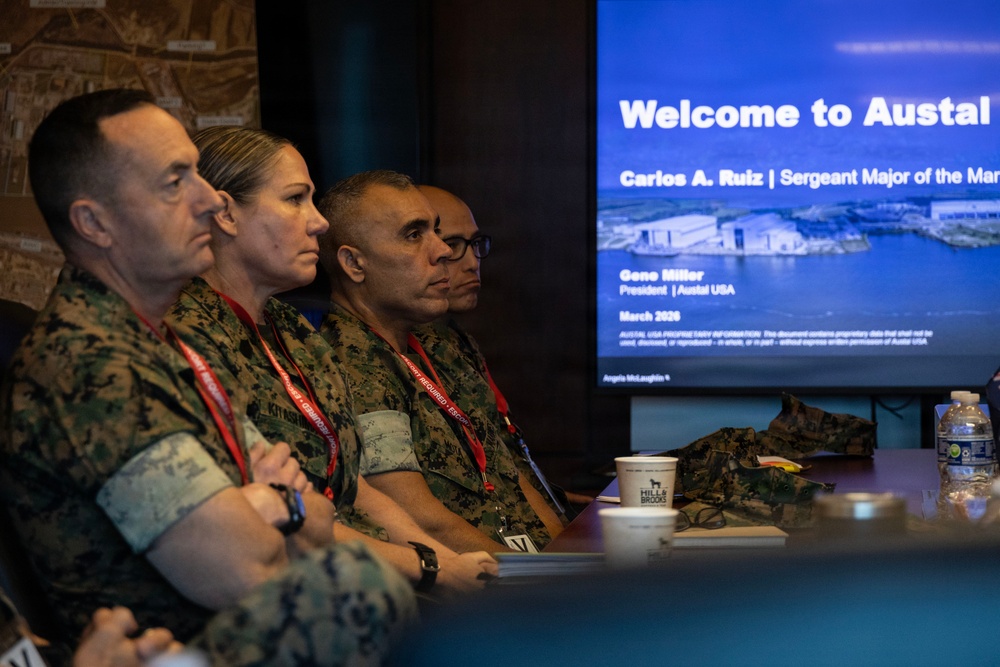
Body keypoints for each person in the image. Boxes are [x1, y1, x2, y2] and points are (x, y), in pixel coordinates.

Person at [0, 89, 415, 661]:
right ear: (95, 223)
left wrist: (276, 507)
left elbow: (317, 521)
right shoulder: (88, 362)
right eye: (175, 182)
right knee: (357, 588)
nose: (208, 201)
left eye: (198, 174)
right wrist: (281, 503)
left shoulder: (164, 343)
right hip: (168, 650)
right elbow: (240, 569)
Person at [166, 126, 495, 598]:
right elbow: (283, 521)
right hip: (309, 594)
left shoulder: (291, 327)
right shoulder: (188, 337)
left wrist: (442, 561)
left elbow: (352, 484)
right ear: (226, 214)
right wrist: (431, 568)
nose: (318, 222)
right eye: (296, 199)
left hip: (377, 575)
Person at [317, 170, 562, 553]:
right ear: (354, 264)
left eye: (435, 231)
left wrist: (571, 562)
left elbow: (513, 480)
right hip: (474, 594)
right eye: (415, 235)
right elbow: (421, 519)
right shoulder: (349, 363)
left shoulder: (427, 347)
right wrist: (547, 589)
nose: (444, 251)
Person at [413, 185, 585, 520]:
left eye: (475, 244)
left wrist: (564, 508)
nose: (472, 262)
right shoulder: (402, 351)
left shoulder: (456, 341)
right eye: (451, 245)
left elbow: (507, 466)